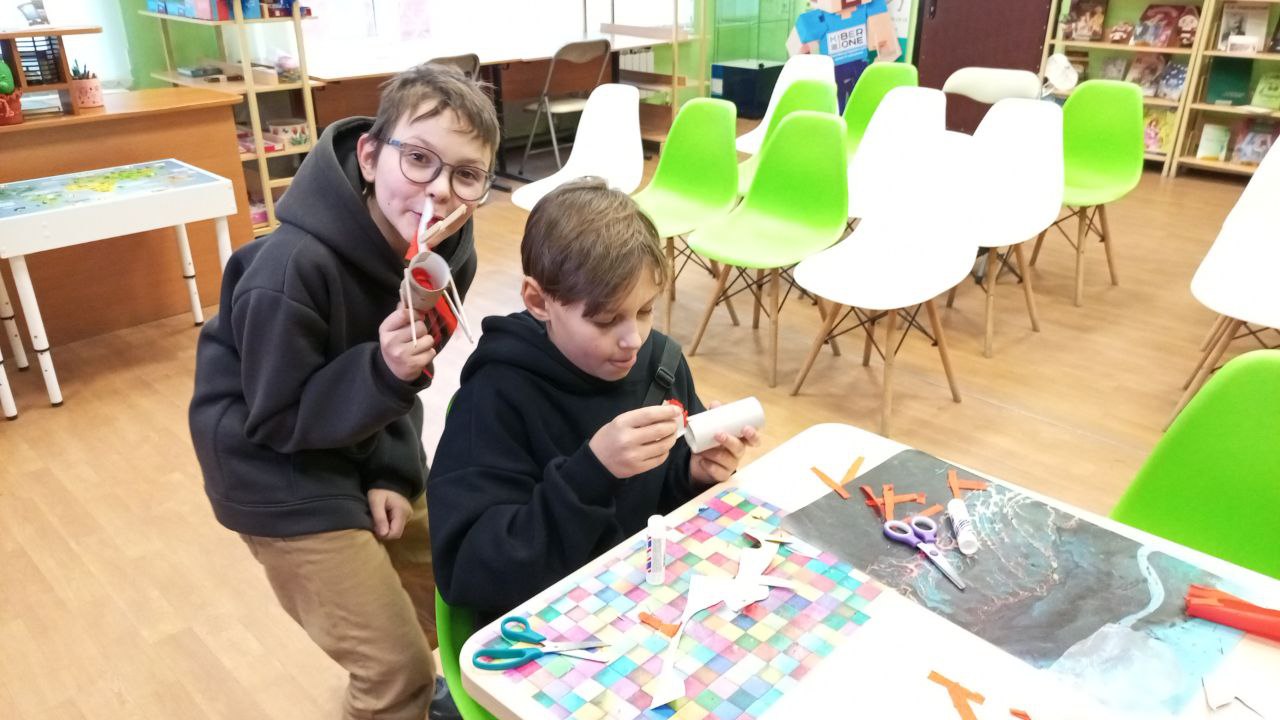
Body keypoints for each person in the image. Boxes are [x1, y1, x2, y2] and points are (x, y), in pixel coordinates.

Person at [188, 63, 499, 720]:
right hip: (271, 467)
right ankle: (396, 687)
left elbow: (407, 379)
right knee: (394, 669)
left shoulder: (448, 260)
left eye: (466, 174)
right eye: (419, 159)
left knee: (455, 581)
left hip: (356, 433)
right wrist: (381, 373)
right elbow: (277, 418)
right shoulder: (289, 270)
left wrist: (390, 471)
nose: (439, 190)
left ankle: (404, 679)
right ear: (369, 156)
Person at [428, 179, 760, 623]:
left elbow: (664, 512)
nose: (633, 339)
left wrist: (694, 473)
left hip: (649, 603)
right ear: (538, 301)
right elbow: (469, 572)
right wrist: (591, 473)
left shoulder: (661, 364)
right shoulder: (496, 397)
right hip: (550, 626)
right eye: (605, 319)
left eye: (645, 310)